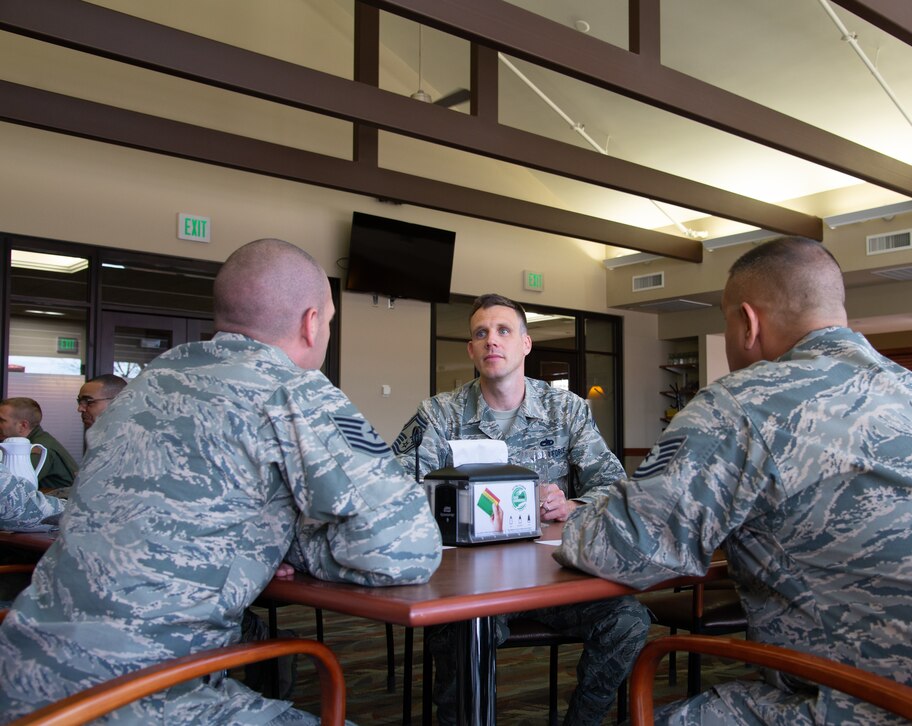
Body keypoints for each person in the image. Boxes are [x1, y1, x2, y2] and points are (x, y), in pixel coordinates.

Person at [555, 237, 912, 724]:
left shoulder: (744, 400)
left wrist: (575, 518)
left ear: (747, 323)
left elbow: (622, 548)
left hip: (883, 704)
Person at [0, 238, 442, 724]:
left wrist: (259, 540)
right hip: (141, 695)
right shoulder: (290, 388)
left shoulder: (143, 384)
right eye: (331, 321)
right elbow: (405, 551)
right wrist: (293, 544)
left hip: (21, 671)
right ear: (312, 322)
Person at [394, 293, 648, 726]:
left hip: (552, 578)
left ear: (526, 344)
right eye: (481, 333)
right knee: (461, 636)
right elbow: (396, 490)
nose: (492, 341)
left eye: (503, 330)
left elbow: (613, 483)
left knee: (629, 621)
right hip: (471, 585)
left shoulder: (566, 410)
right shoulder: (439, 414)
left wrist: (572, 503)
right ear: (472, 350)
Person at [0, 397, 79, 492]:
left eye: (1, 420)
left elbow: (11, 487)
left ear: (23, 425)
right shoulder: (31, 442)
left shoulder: (40, 447)